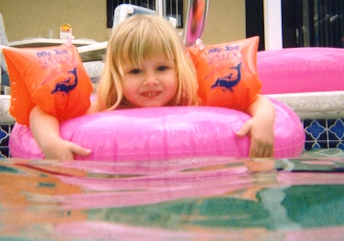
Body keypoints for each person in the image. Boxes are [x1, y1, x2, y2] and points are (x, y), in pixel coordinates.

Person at [29, 15, 275, 160]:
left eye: (162, 69)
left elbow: (253, 98)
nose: (150, 81)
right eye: (135, 71)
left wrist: (263, 121)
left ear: (178, 69)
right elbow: (42, 111)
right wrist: (50, 143)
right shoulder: (105, 108)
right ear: (117, 76)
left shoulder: (192, 102)